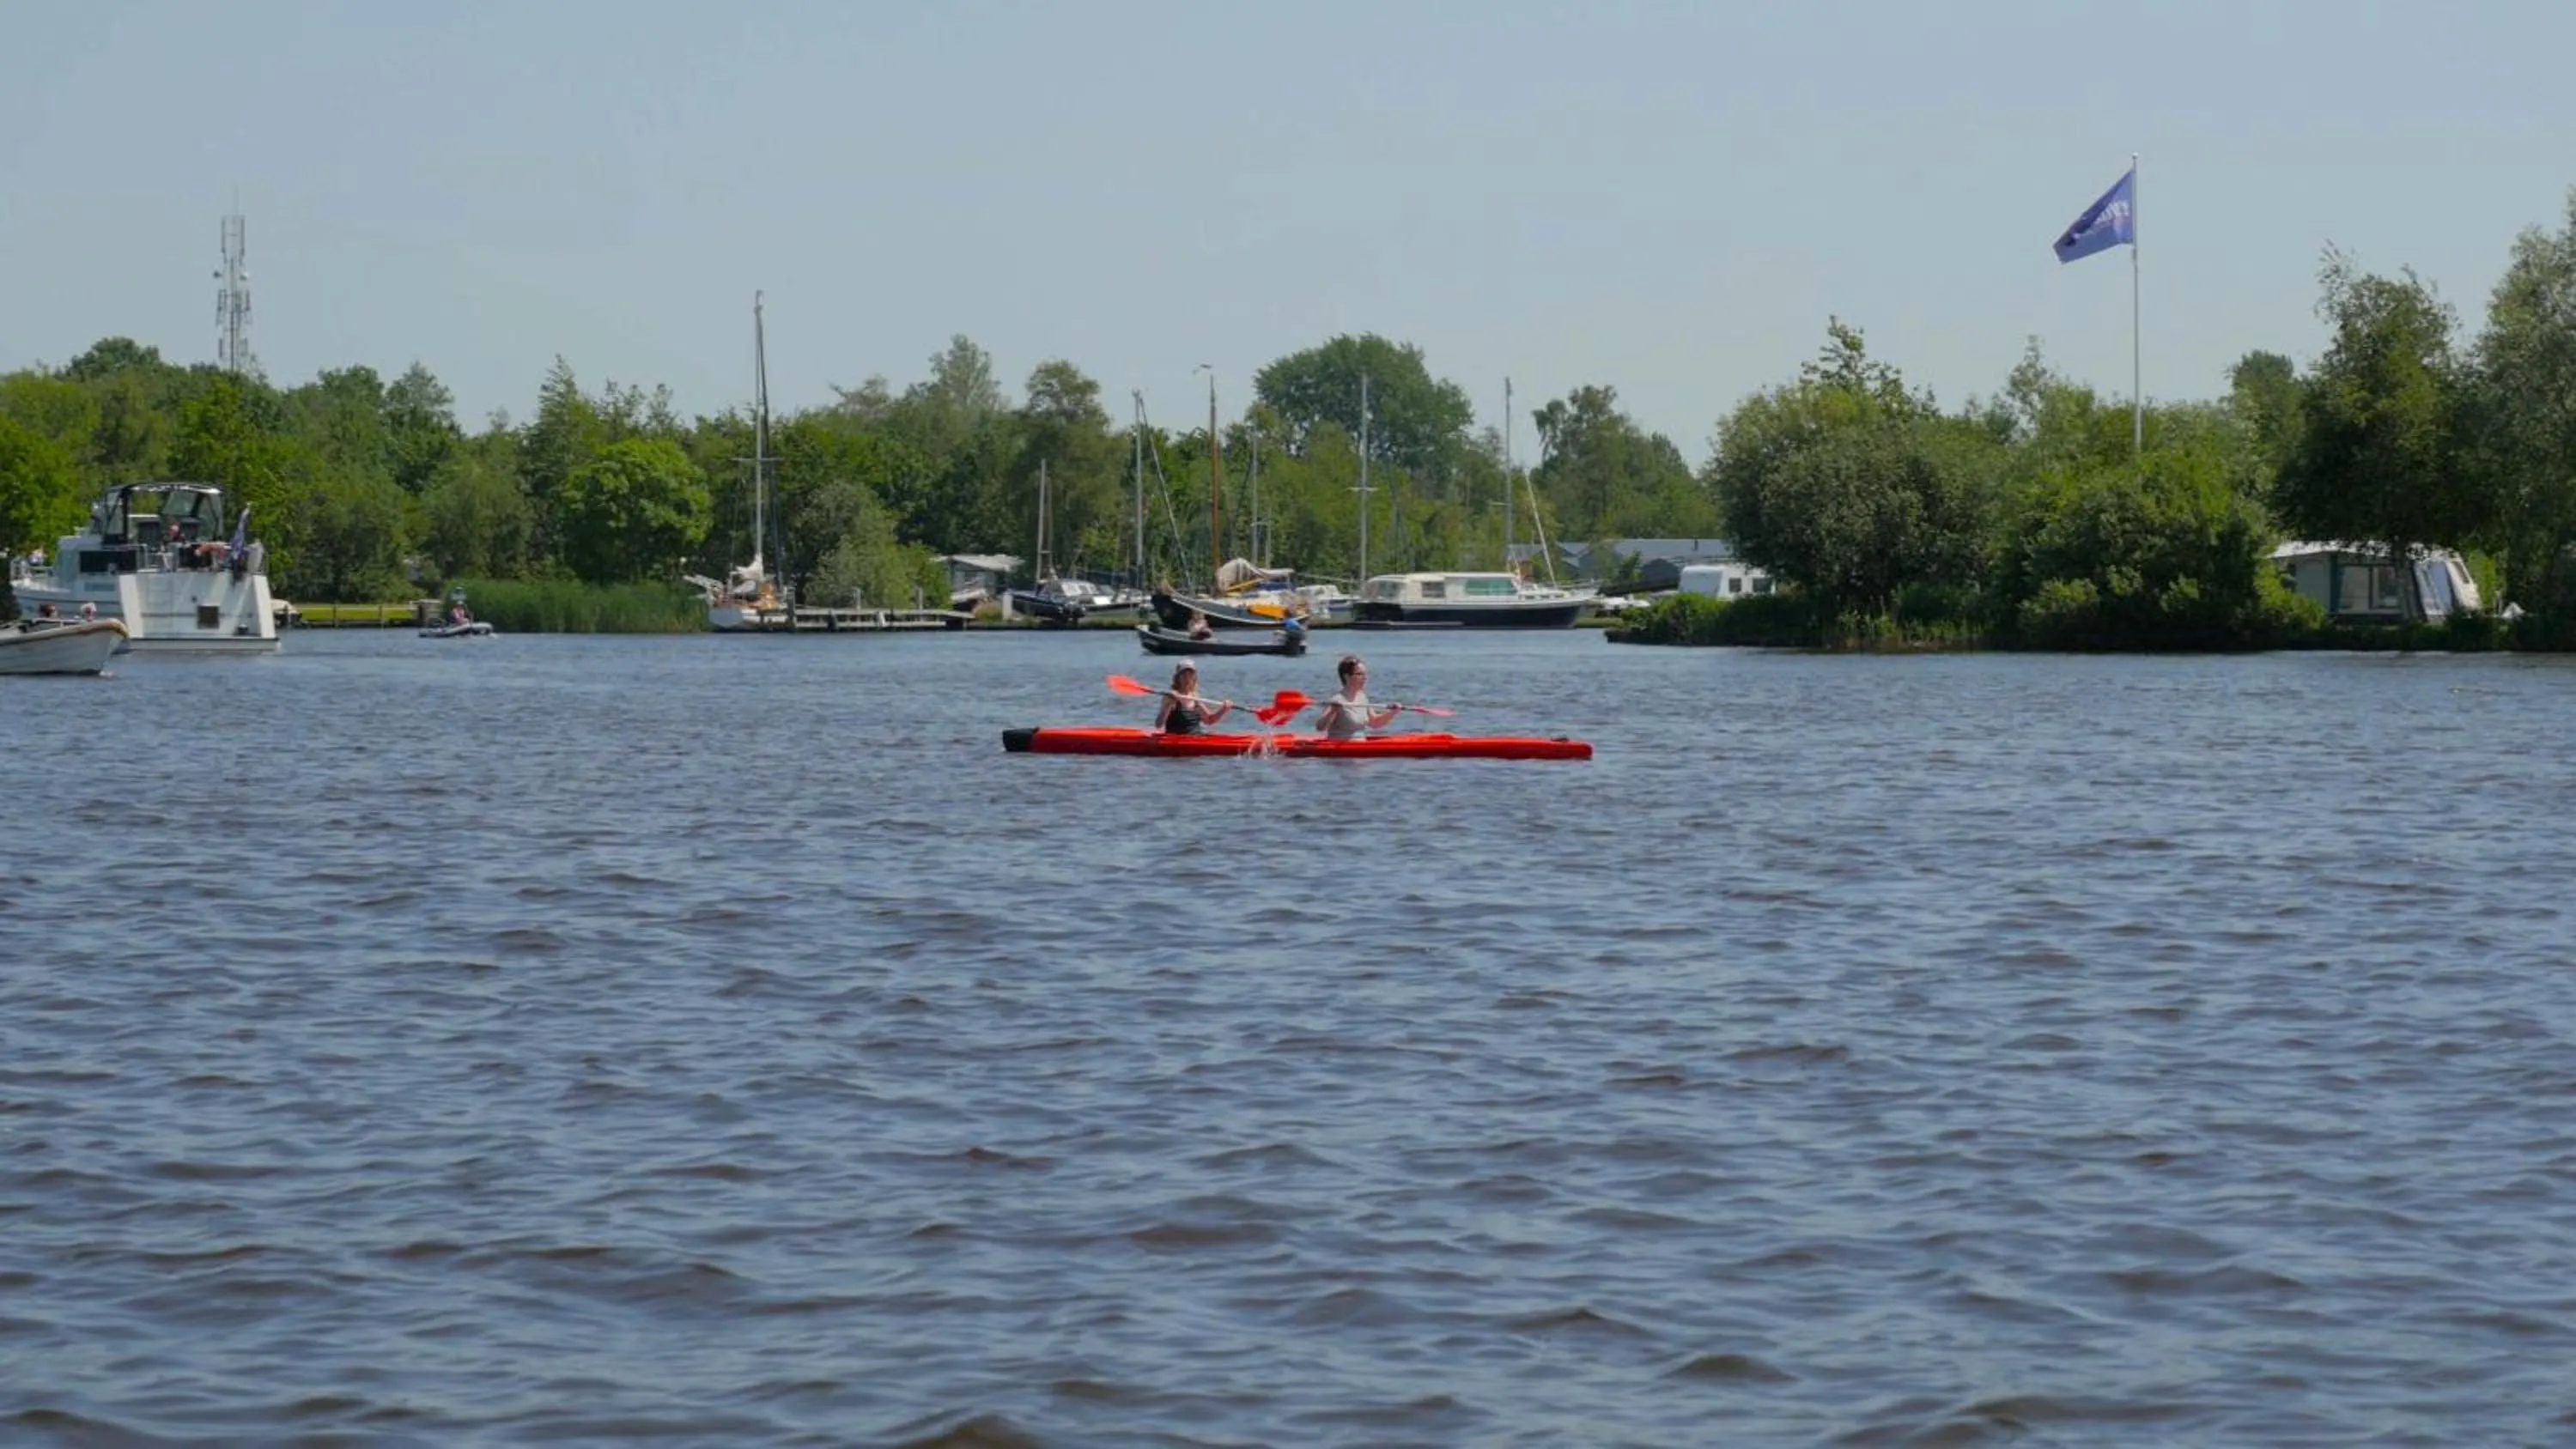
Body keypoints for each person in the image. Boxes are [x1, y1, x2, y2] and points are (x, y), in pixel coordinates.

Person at [1315, 654, 1403, 741]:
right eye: (1360, 674)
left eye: (1365, 674)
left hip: (1360, 746)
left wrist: (1392, 712)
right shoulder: (1337, 700)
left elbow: (1375, 723)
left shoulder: (1363, 697)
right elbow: (1320, 727)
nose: (1365, 678)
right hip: (1340, 750)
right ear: (1347, 677)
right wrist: (1332, 711)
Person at [1155, 662, 1234, 735]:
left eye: (1190, 675)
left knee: (1213, 734)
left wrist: (1224, 709)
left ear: (1194, 678)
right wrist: (1168, 705)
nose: (1187, 678)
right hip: (1177, 740)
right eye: (1184, 675)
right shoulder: (1170, 697)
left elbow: (1209, 720)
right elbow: (1158, 724)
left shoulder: (1195, 698)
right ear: (1177, 678)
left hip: (1196, 737)